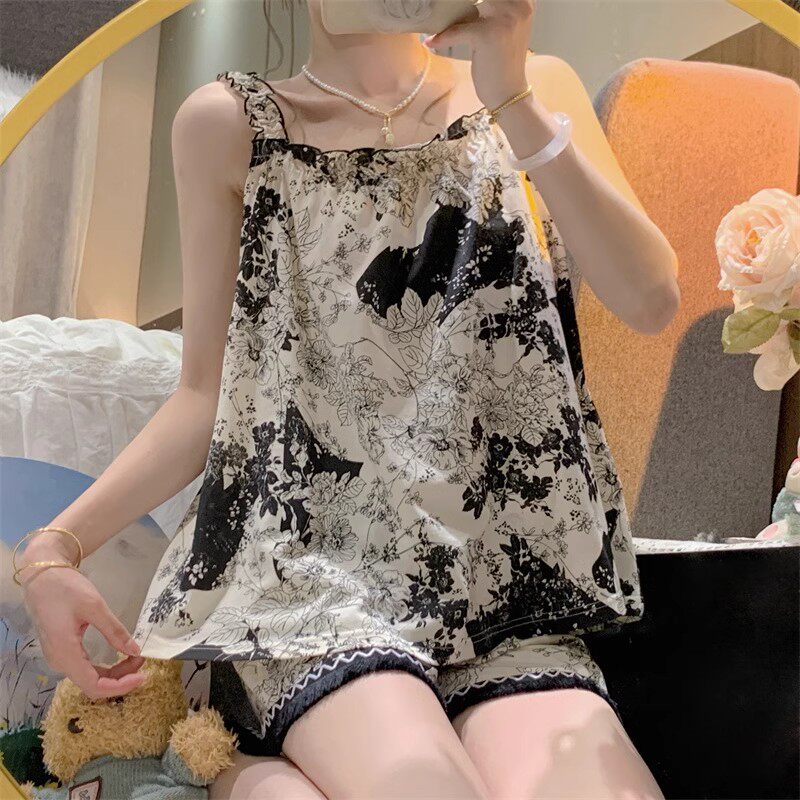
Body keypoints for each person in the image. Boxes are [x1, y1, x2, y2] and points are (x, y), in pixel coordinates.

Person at [16, 0, 680, 797]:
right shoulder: (231, 125)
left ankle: (254, 782)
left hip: (506, 589)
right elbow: (206, 399)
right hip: (311, 588)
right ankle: (241, 770)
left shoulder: (531, 86)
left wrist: (510, 94)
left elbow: (651, 300)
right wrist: (52, 550)